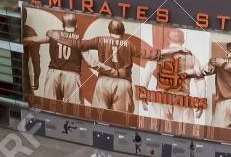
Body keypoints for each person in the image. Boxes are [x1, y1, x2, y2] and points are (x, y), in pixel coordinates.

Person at [49, 19, 184, 112]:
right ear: (123, 31)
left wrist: (58, 37)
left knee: (99, 117)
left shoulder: (100, 40)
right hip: (123, 84)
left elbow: (79, 44)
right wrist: (171, 50)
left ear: (109, 30)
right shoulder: (130, 45)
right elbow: (150, 54)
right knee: (121, 120)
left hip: (103, 81)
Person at [141, 27, 207, 123]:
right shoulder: (192, 57)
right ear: (183, 40)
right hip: (182, 100)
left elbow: (146, 73)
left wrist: (143, 95)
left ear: (169, 39)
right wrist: (200, 103)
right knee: (184, 135)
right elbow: (200, 81)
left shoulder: (160, 54)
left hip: (161, 98)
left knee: (157, 133)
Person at [23, 13, 82, 103]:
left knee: (49, 106)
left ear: (63, 25)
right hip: (71, 75)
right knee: (72, 110)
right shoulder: (80, 40)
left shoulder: (53, 34)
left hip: (53, 74)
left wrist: (19, 41)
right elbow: (89, 59)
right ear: (77, 26)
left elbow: (35, 40)